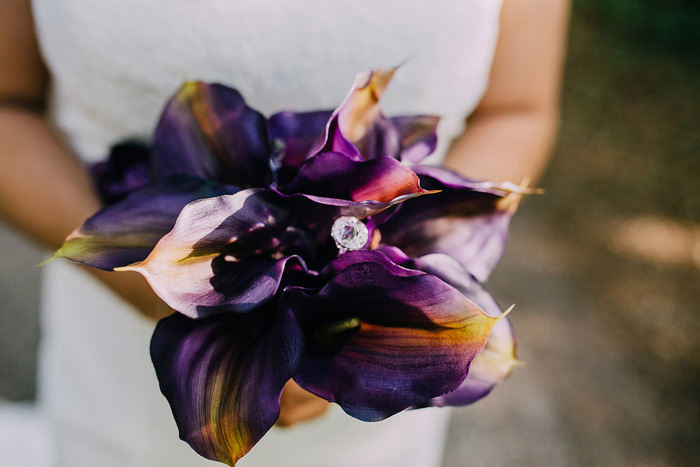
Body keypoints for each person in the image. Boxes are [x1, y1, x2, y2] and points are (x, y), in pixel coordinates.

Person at [0, 0, 569, 465]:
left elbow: (517, 110)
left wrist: (388, 301)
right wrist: (168, 282)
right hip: (120, 352)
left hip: (366, 395)